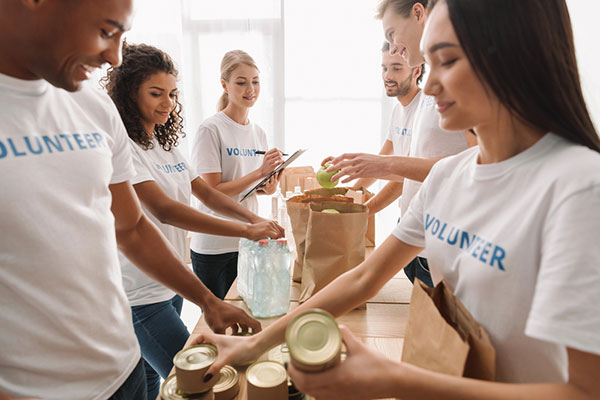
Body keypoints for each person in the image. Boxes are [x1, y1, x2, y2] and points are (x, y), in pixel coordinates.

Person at [193, 0, 600, 398]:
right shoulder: (447, 176)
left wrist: (393, 378)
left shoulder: (578, 187)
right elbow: (365, 277)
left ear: (512, 57)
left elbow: (584, 390)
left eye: (449, 61)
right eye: (429, 62)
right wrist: (256, 344)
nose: (431, 84)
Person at [0, 1, 259, 399]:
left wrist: (207, 301)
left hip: (119, 367)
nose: (113, 56)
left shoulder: (93, 106)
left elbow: (133, 227)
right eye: (106, 30)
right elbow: (165, 211)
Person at [102, 42, 283, 400]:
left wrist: (252, 219)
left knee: (153, 380)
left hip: (170, 283)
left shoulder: (164, 145)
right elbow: (165, 209)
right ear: (127, 94)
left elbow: (205, 193)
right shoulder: (124, 147)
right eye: (156, 93)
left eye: (172, 93)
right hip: (138, 292)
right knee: (202, 382)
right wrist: (246, 229)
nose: (168, 103)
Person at [325, 0, 476, 287]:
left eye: (393, 34)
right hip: (422, 241)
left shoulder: (456, 87)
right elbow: (414, 167)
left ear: (419, 14)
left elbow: (473, 166)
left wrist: (380, 168)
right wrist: (359, 170)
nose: (394, 47)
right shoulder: (425, 97)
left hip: (448, 248)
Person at [190, 50, 284, 299]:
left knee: (246, 314)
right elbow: (210, 192)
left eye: (255, 81)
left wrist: (268, 185)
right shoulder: (211, 129)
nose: (250, 89)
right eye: (241, 82)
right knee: (217, 323)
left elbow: (247, 186)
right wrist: (258, 173)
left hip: (249, 241)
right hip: (214, 246)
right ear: (225, 85)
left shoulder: (259, 133)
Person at [347, 41, 424, 218]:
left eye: (396, 68)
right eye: (384, 68)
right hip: (407, 212)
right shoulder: (398, 110)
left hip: (425, 216)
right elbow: (381, 161)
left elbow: (406, 175)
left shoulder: (425, 109)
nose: (388, 76)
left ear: (416, 70)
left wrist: (362, 212)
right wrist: (348, 194)